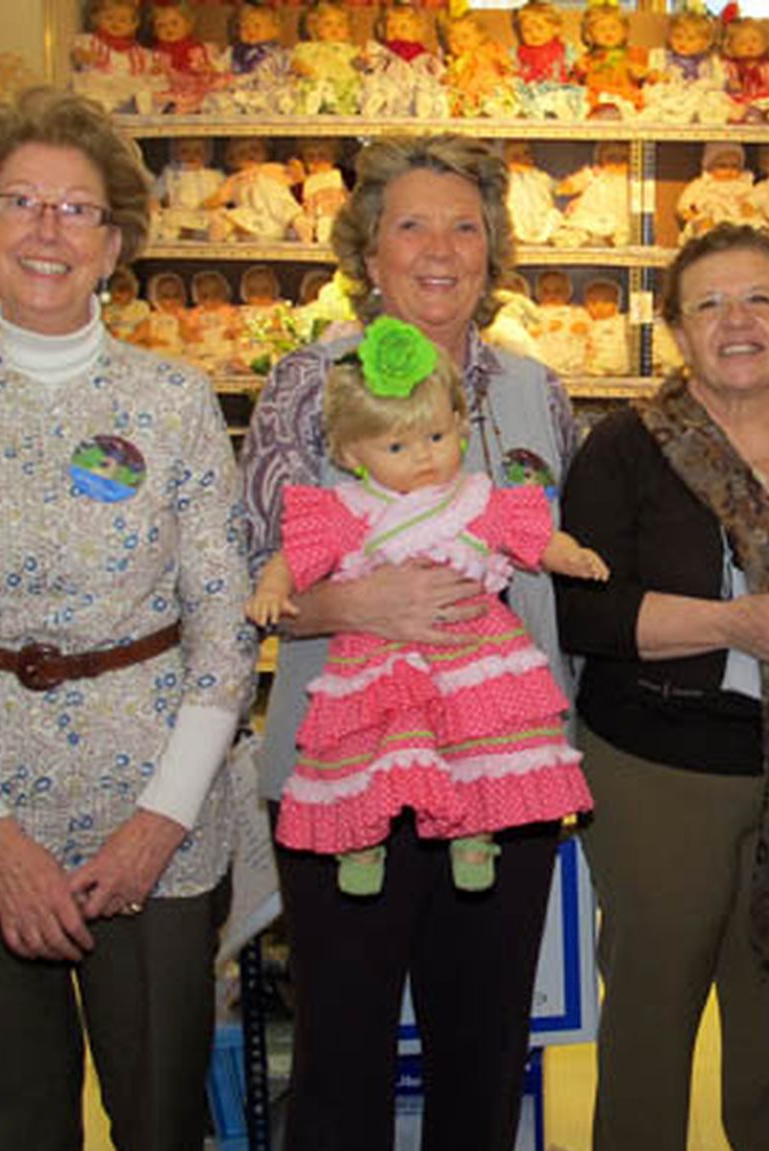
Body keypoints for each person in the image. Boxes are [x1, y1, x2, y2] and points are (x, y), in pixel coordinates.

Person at [0, 85, 253, 1151]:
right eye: (19, 202)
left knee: (157, 1144)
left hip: (155, 826)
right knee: (25, 1144)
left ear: (116, 247)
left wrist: (159, 822)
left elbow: (223, 627)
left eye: (78, 209)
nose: (47, 228)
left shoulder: (177, 402)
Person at [238, 133, 578, 1151]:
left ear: (494, 249)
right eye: (412, 226)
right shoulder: (312, 380)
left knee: (483, 1049)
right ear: (369, 254)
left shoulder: (530, 388)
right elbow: (256, 560)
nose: (442, 250)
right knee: (341, 1049)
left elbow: (552, 552)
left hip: (500, 763)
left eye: (466, 225)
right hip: (352, 764)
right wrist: (349, 604)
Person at [556, 225, 769, 1151]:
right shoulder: (625, 448)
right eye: (708, 304)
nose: (737, 322)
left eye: (759, 299)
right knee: (654, 1001)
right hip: (662, 767)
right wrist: (731, 623)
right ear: (676, 333)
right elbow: (587, 614)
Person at [246, 317, 607, 896]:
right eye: (397, 446)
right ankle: (359, 842)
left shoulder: (478, 495)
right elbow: (294, 555)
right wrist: (272, 588)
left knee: (478, 749)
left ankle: (474, 833)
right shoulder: (346, 507)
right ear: (350, 451)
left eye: (436, 438)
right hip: (381, 665)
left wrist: (574, 555)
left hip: (473, 656)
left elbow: (532, 538)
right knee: (373, 751)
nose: (422, 457)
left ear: (460, 428)